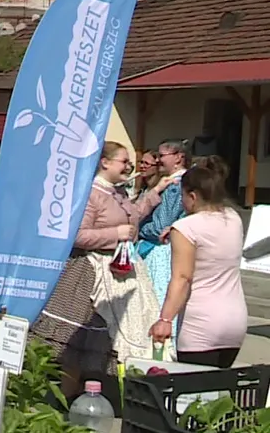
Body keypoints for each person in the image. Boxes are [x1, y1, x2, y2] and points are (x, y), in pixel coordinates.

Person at [31, 142, 173, 394]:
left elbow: (133, 215)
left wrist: (155, 193)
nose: (129, 166)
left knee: (109, 341)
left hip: (122, 268)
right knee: (79, 341)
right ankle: (67, 397)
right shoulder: (90, 193)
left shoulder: (117, 192)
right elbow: (76, 236)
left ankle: (97, 394)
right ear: (104, 162)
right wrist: (114, 234)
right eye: (124, 161)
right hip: (91, 269)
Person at [149, 162, 247, 367]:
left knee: (195, 393)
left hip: (201, 323)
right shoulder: (234, 218)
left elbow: (182, 278)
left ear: (192, 196)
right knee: (220, 392)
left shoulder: (185, 228)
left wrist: (165, 320)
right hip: (235, 319)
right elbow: (208, 224)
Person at [137, 139, 191, 309]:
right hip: (164, 249)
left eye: (162, 155)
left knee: (155, 302)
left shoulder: (176, 184)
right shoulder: (176, 181)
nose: (158, 160)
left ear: (178, 158)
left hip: (161, 252)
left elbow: (161, 226)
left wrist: (138, 228)